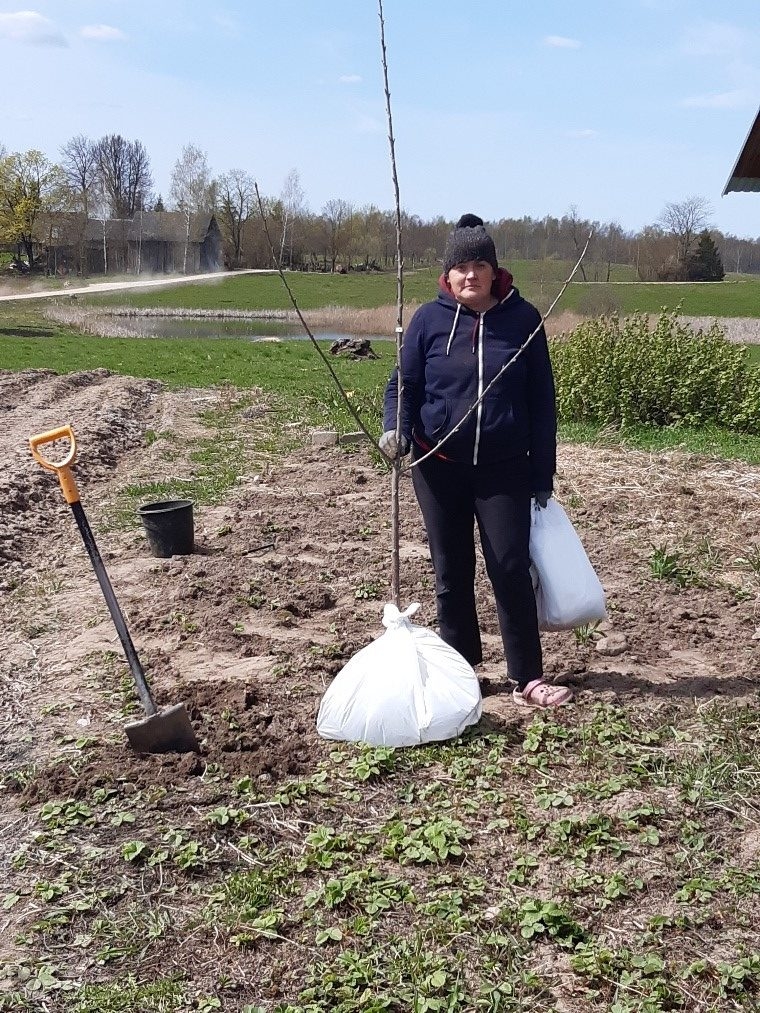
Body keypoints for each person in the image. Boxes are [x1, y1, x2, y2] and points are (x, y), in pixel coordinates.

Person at [380, 214, 572, 709]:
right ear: (448, 274)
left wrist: (541, 472)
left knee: (509, 566)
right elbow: (402, 385)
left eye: (479, 265)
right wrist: (396, 430)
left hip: (504, 466)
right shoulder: (428, 319)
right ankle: (462, 670)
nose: (470, 275)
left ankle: (527, 678)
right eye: (461, 266)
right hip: (436, 463)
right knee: (451, 569)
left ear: (494, 270)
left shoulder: (523, 319)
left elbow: (541, 401)